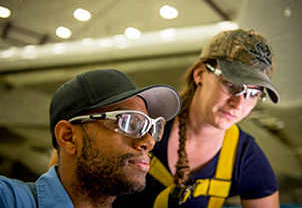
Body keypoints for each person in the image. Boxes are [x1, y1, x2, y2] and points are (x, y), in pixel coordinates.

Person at [113, 29, 280, 208]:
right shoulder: (142, 126)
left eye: (253, 94)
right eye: (231, 84)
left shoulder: (246, 158)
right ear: (200, 74)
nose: (238, 104)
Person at [0, 69, 181, 208]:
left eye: (152, 127)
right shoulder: (10, 199)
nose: (149, 142)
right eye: (129, 122)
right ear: (68, 137)